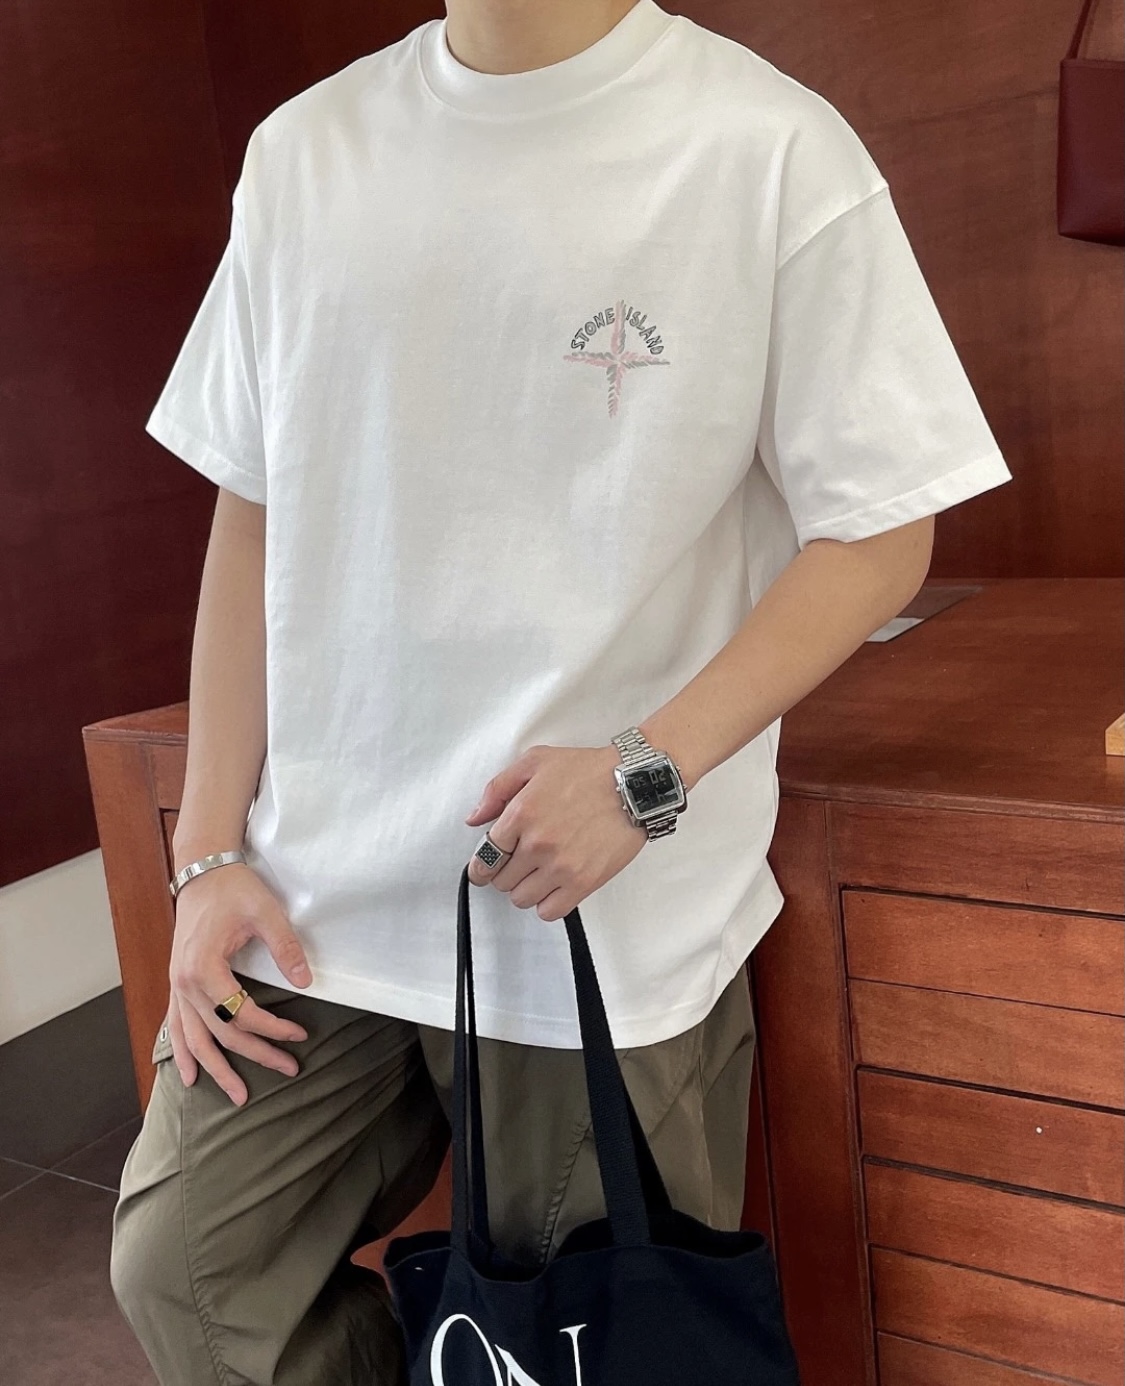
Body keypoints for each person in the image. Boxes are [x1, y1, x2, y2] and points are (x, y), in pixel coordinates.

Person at [109, 1, 1013, 1381]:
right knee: (190, 1270)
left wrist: (647, 770)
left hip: (592, 912)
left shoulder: (765, 147)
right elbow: (256, 509)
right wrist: (208, 848)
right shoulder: (304, 151)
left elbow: (881, 531)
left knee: (588, 1345)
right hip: (315, 898)